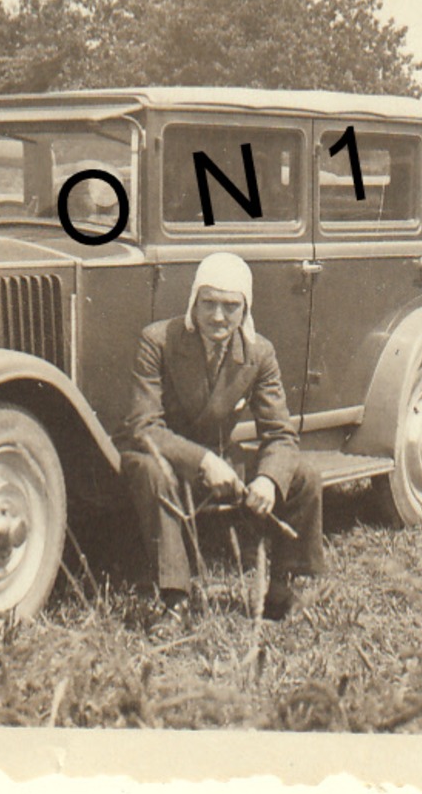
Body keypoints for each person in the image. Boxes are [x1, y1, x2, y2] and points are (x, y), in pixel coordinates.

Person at [118, 252, 325, 631]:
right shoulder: (158, 341)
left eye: (231, 306)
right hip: (166, 457)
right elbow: (143, 427)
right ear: (193, 302)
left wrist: (267, 479)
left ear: (245, 309)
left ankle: (282, 589)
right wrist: (202, 461)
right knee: (150, 470)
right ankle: (175, 600)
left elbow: (279, 433)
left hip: (220, 458)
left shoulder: (259, 352)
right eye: (208, 303)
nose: (217, 316)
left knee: (303, 475)